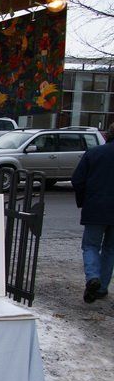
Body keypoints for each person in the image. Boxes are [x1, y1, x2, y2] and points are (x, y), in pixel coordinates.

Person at [71, 126, 114, 303]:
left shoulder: (94, 153)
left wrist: (84, 200)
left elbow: (77, 180)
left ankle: (93, 277)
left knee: (90, 246)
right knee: (110, 249)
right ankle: (102, 288)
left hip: (95, 207)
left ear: (107, 135)